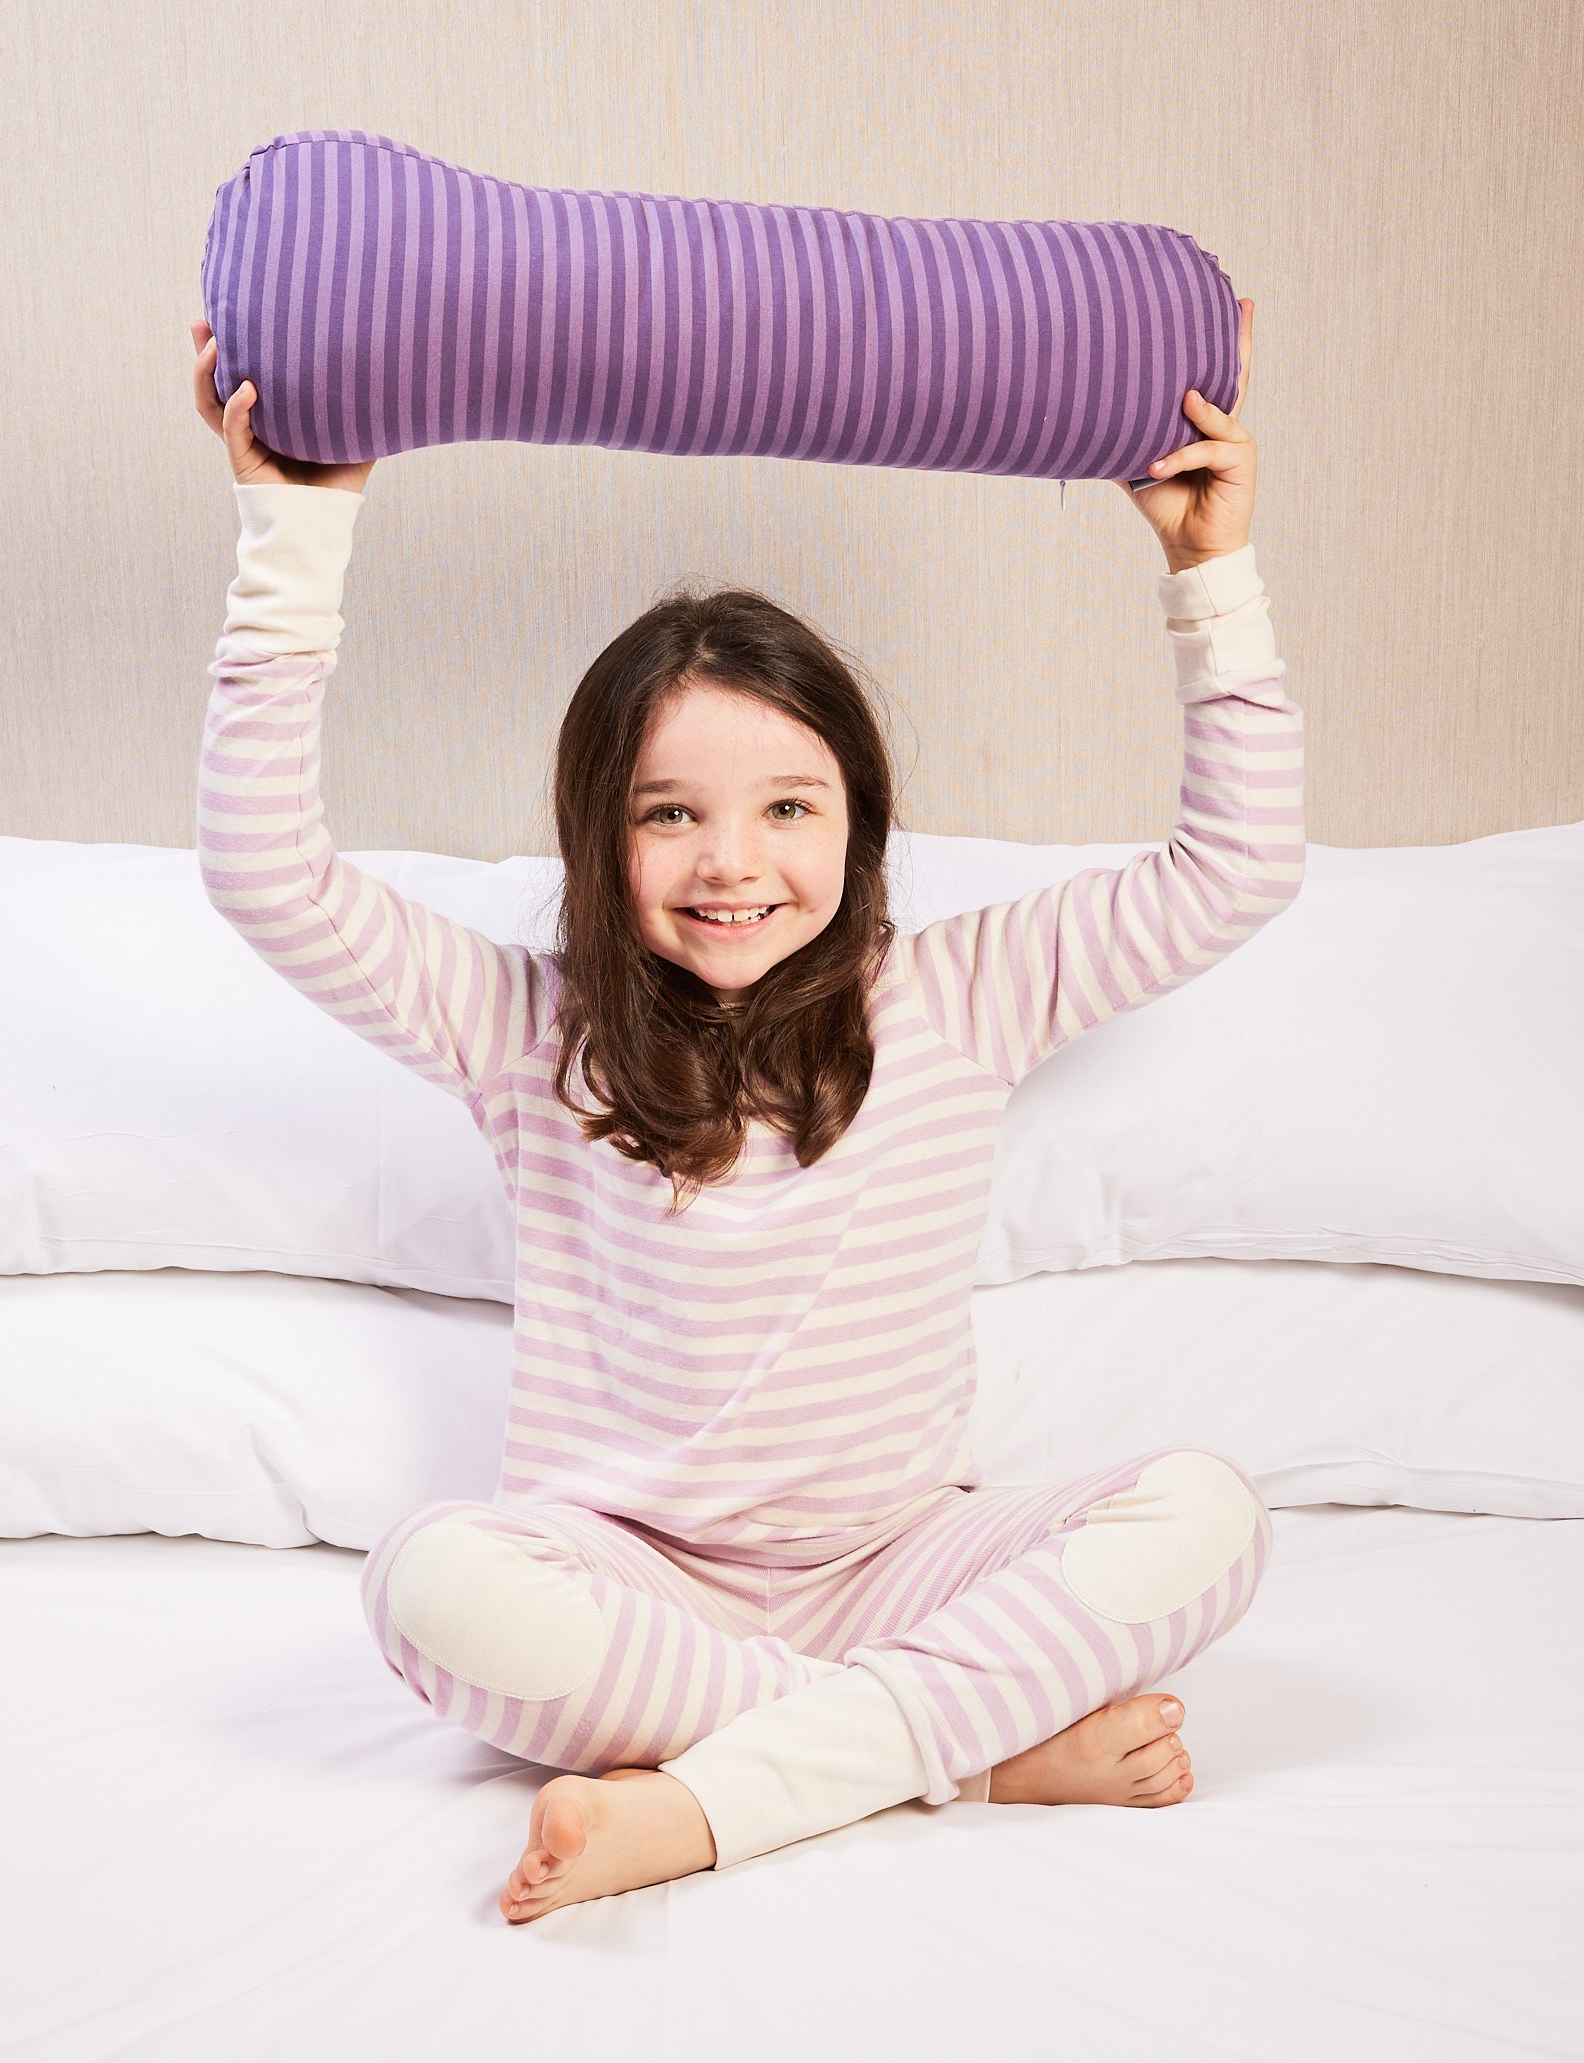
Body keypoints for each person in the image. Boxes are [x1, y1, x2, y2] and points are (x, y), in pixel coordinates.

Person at [189, 298, 1304, 1926]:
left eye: (789, 808)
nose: (732, 862)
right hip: (635, 1585)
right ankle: (971, 1754)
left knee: (1207, 1514)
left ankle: (719, 1796)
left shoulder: (960, 996)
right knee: (434, 1583)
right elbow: (263, 872)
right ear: (598, 835)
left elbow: (1236, 870)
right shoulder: (526, 1031)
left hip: (899, 1565)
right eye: (669, 814)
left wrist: (1207, 576)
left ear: (858, 827)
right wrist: (292, 535)